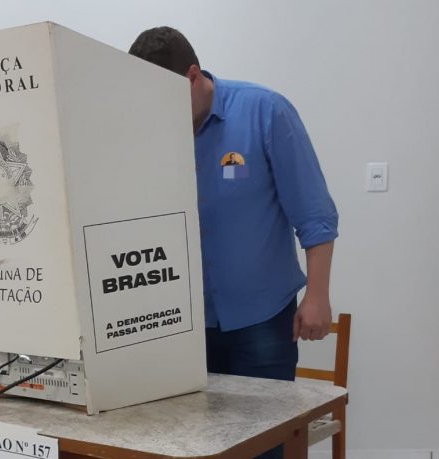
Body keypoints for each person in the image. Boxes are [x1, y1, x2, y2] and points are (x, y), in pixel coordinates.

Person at [129, 27, 338, 459]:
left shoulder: (265, 111)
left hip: (262, 321)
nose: (155, 112)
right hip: (185, 327)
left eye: (163, 99)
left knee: (264, 447)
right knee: (196, 446)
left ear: (192, 76)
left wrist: (317, 296)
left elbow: (314, 214)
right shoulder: (148, 133)